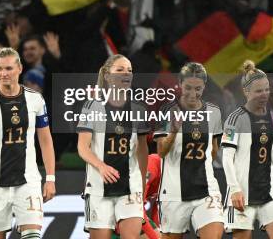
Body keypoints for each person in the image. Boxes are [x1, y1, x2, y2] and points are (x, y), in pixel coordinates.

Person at [0, 47, 56, 239]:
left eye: (8, 68)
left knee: (32, 235)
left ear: (20, 68)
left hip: (28, 180)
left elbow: (45, 140)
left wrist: (50, 178)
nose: (3, 74)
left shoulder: (35, 100)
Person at [76, 54, 149, 238]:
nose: (126, 73)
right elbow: (83, 147)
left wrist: (141, 184)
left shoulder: (138, 109)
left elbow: (142, 148)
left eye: (130, 70)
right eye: (120, 70)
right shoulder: (93, 106)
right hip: (99, 187)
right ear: (108, 76)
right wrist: (101, 166)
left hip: (130, 187)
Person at [222, 61, 273, 239]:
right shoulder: (234, 119)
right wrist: (234, 189)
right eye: (259, 91)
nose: (264, 94)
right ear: (246, 92)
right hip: (241, 194)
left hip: (269, 193)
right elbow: (227, 157)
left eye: (267, 89)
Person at [154, 62, 224, 238]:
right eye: (188, 88)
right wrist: (174, 131)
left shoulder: (214, 113)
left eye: (198, 88)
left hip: (207, 190)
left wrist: (202, 164)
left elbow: (214, 150)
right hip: (174, 192)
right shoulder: (167, 110)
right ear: (180, 84)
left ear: (204, 86)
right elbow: (161, 152)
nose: (193, 93)